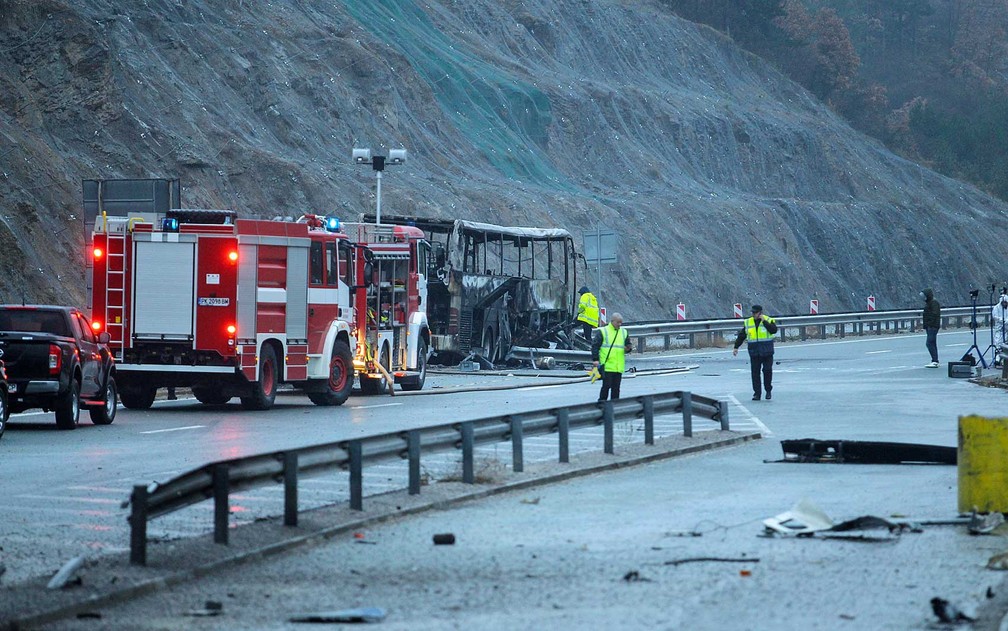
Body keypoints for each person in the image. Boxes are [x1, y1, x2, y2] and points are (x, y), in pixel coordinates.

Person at [732, 305, 778, 401]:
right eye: (753, 313)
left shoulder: (768, 320)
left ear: (760, 313)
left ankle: (768, 390)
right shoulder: (748, 322)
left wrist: (764, 322)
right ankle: (757, 394)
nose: (754, 314)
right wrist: (736, 347)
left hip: (767, 351)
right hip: (754, 352)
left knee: (767, 371)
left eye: (755, 313)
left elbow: (773, 330)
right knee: (755, 373)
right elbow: (742, 335)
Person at [592, 312, 632, 401]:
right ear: (612, 321)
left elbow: (628, 344)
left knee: (616, 389)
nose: (619, 324)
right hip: (607, 366)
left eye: (621, 322)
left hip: (618, 366)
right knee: (606, 386)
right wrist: (595, 359)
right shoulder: (603, 331)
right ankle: (602, 404)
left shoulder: (623, 332)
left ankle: (615, 407)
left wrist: (628, 349)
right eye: (618, 322)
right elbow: (595, 346)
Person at [921, 288, 941, 367]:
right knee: (932, 343)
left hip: (933, 326)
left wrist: (929, 323)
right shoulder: (929, 303)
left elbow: (934, 314)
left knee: (929, 343)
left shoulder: (934, 303)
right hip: (930, 326)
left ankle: (935, 360)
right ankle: (935, 360)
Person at [992, 293, 1008, 364]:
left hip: (1007, 328)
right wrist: (1002, 320)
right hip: (999, 329)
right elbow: (995, 316)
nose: (1005, 304)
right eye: (1003, 302)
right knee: (998, 343)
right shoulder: (996, 308)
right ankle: (998, 359)